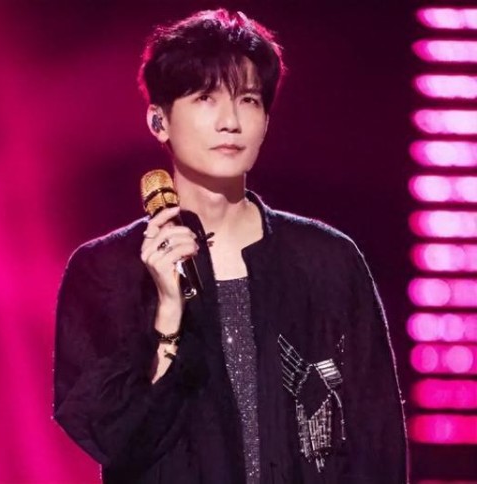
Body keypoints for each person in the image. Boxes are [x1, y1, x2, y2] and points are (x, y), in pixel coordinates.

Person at [53, 8, 408, 484]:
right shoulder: (106, 273)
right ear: (159, 121)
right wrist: (167, 317)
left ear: (266, 120)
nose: (230, 121)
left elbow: (377, 438)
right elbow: (115, 440)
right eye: (205, 97)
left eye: (248, 100)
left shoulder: (327, 262)